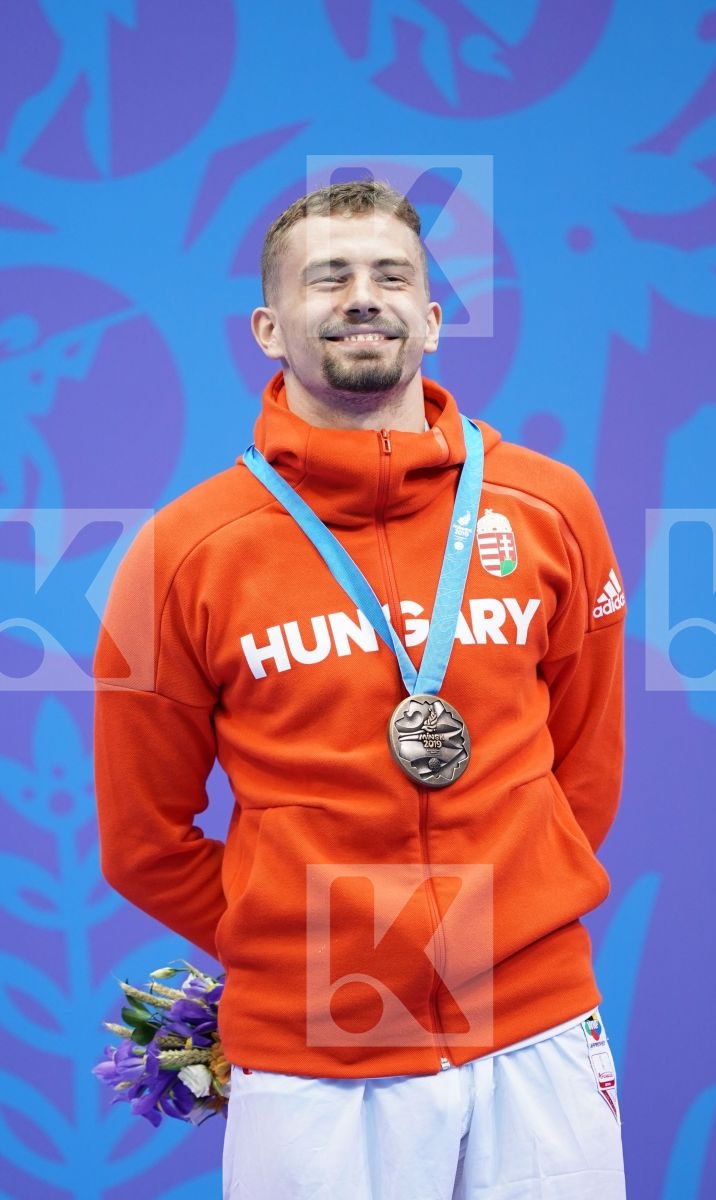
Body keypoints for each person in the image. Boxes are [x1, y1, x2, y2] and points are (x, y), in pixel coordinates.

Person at [94, 179, 627, 1198]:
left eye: (391, 276)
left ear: (431, 317)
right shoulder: (176, 555)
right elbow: (141, 838)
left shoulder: (550, 507)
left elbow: (585, 769)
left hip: (535, 1018)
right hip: (312, 1051)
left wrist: (500, 909)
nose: (360, 297)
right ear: (267, 325)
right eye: (325, 278)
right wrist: (308, 944)